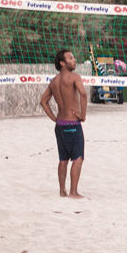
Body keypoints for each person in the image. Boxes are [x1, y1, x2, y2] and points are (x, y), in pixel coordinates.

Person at [40, 49, 88, 198]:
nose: (74, 60)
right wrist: (83, 115)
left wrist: (54, 118)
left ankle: (62, 191)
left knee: (63, 159)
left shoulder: (54, 81)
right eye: (71, 58)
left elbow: (43, 102)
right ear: (62, 63)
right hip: (72, 124)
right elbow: (84, 93)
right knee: (78, 158)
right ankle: (73, 192)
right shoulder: (74, 77)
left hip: (59, 125)